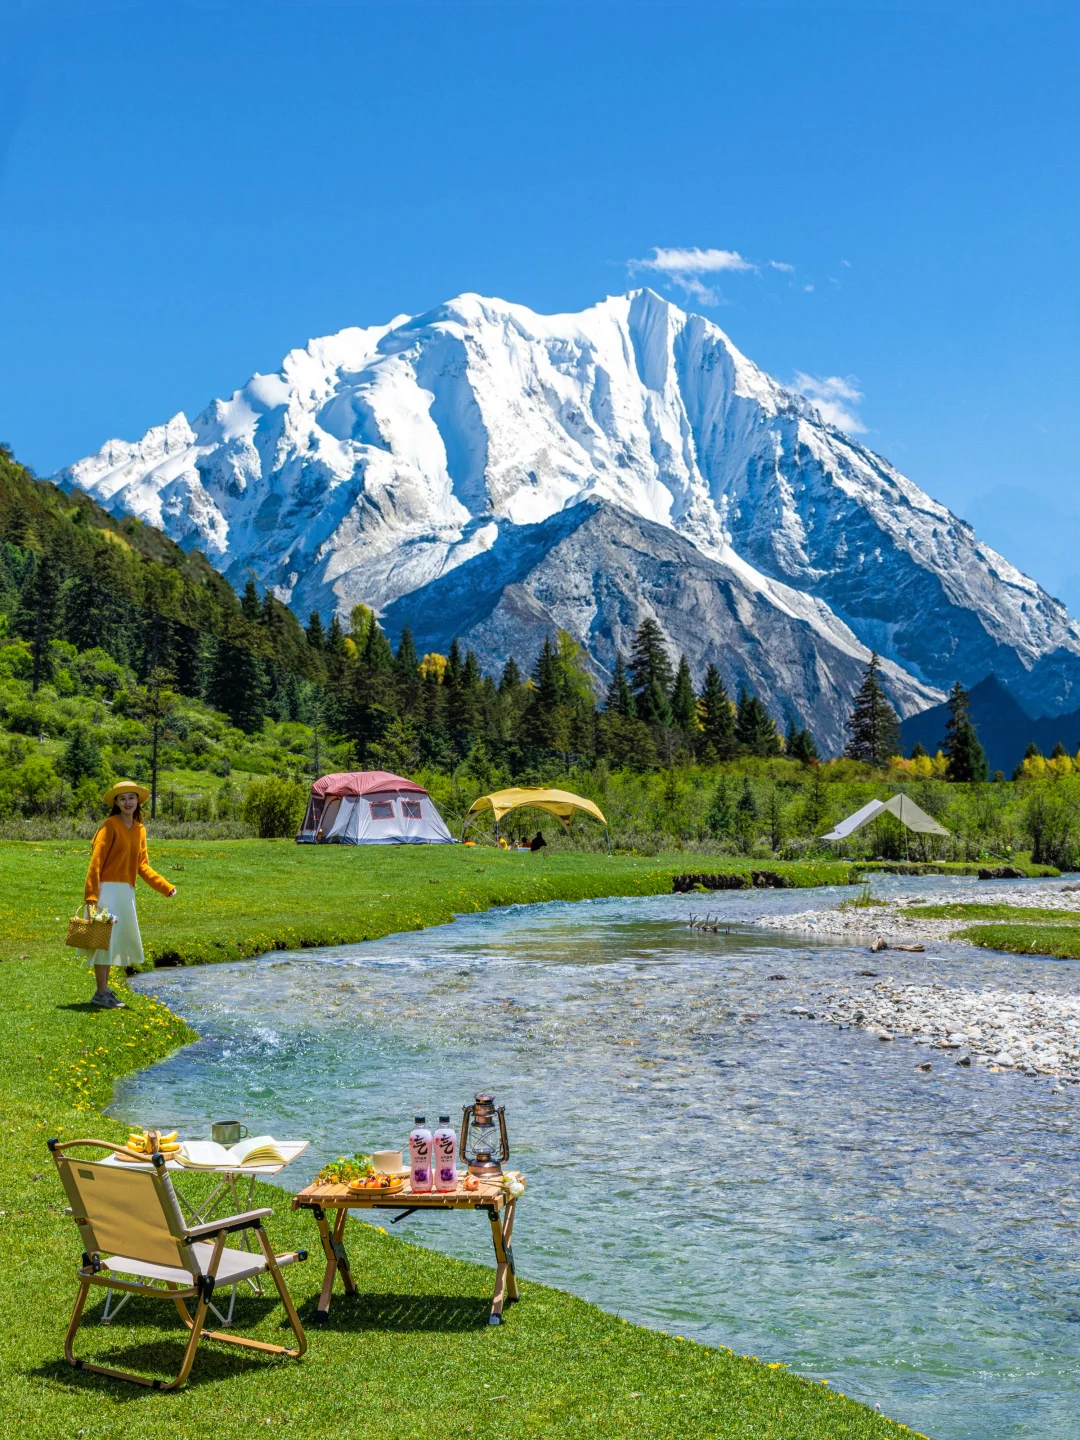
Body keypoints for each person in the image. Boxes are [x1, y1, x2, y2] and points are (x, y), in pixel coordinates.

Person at [83, 780, 177, 1009]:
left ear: (138, 801)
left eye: (131, 798)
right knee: (103, 942)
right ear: (116, 802)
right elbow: (95, 864)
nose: (128, 802)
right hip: (106, 891)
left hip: (125, 893)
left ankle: (103, 991)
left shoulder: (140, 830)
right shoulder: (110, 825)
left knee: (113, 942)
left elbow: (142, 866)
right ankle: (101, 993)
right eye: (122, 798)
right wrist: (92, 897)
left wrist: (165, 886)